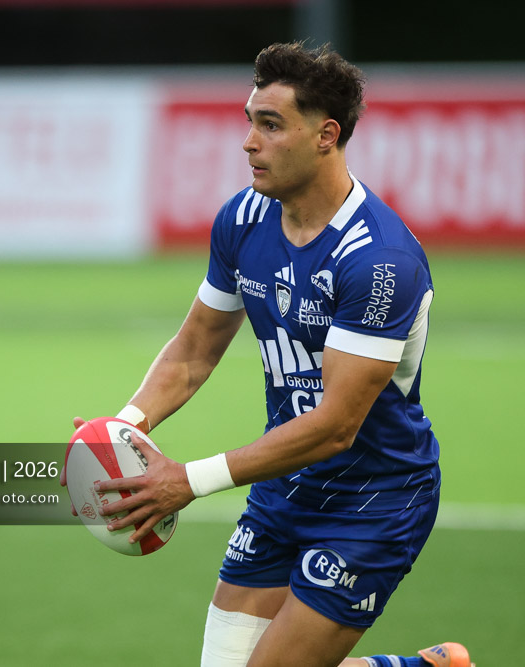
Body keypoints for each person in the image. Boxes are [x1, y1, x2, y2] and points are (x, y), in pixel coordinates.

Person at [62, 42, 474, 667]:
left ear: (326, 136)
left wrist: (188, 480)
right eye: (249, 120)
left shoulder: (379, 262)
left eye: (271, 124)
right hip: (283, 486)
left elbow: (336, 427)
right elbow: (196, 347)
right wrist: (126, 425)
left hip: (374, 500)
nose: (248, 142)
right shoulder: (245, 218)